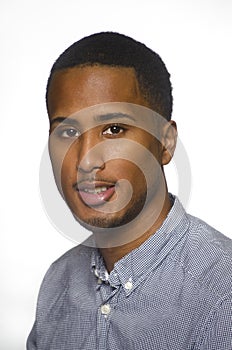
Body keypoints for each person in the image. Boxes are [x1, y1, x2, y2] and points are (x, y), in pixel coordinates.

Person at [27, 32, 232, 350]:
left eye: (114, 129)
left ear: (165, 143)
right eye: (68, 131)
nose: (86, 161)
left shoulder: (223, 295)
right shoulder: (57, 283)